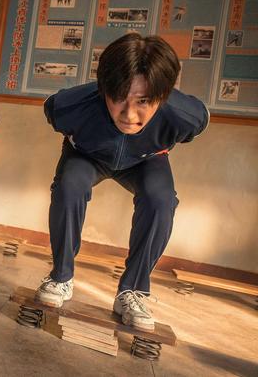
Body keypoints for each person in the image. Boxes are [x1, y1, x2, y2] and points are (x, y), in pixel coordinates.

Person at [37, 33, 209, 331]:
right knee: (69, 187)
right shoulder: (68, 106)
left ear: (163, 95)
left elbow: (197, 123)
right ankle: (60, 277)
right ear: (103, 89)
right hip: (87, 155)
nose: (129, 115)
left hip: (146, 160)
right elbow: (54, 112)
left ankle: (133, 290)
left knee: (161, 201)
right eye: (118, 98)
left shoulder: (185, 116)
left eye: (143, 101)